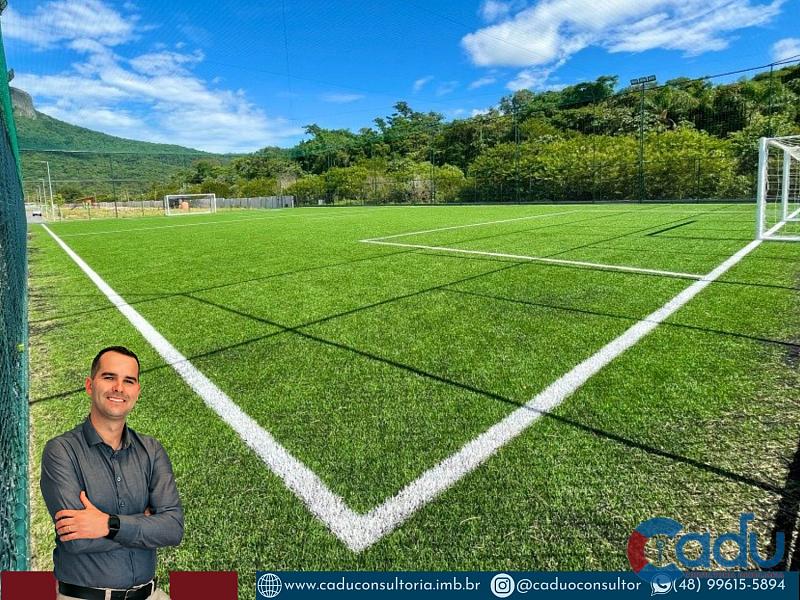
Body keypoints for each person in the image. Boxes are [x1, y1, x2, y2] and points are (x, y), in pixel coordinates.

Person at [40, 346, 183, 600]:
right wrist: (145, 523)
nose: (119, 387)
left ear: (137, 392)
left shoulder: (151, 450)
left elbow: (172, 528)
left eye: (128, 381)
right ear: (89, 385)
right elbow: (76, 540)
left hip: (149, 595)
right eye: (109, 377)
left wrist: (107, 524)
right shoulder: (61, 451)